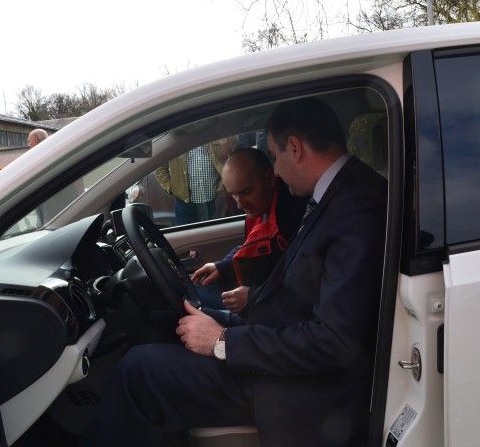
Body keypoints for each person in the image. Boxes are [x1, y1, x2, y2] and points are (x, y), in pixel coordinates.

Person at [82, 97, 387, 447]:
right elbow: (302, 285)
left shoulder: (354, 208)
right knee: (164, 321)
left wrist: (223, 341)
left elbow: (335, 342)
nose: (275, 170)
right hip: (275, 342)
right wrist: (237, 316)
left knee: (138, 370)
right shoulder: (337, 194)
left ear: (295, 148)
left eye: (274, 156)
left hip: (295, 386)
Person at [190, 147, 307, 313]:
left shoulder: (291, 216)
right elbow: (253, 246)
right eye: (234, 195)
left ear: (269, 178)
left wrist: (253, 297)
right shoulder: (263, 207)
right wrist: (222, 267)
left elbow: (300, 287)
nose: (239, 204)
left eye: (246, 192)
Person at [155, 136, 235, 225]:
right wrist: (171, 187)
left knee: (214, 232)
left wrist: (225, 185)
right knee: (186, 233)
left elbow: (235, 157)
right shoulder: (174, 139)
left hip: (214, 201)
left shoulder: (218, 134)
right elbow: (159, 167)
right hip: (184, 204)